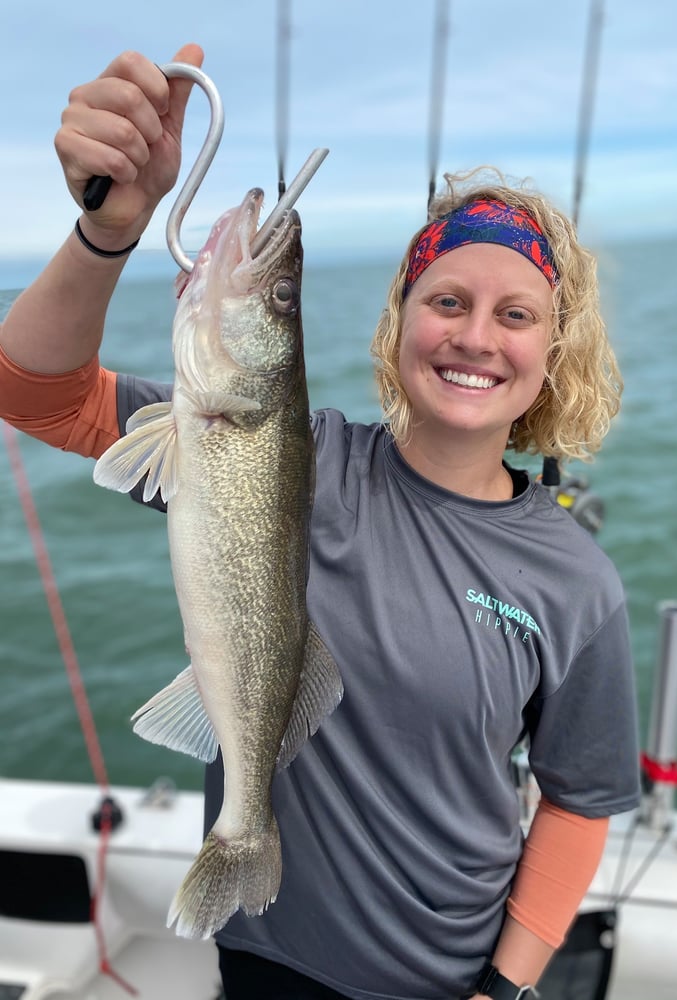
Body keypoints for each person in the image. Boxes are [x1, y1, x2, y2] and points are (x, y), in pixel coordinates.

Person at [0, 44, 640, 1000]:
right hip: (265, 958)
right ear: (401, 323)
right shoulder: (297, 451)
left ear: (554, 355)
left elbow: (579, 804)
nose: (474, 337)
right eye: (448, 301)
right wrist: (109, 231)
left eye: (516, 315)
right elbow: (33, 393)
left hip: (449, 975)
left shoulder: (576, 584)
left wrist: (504, 987)